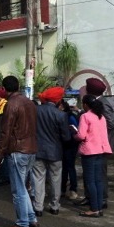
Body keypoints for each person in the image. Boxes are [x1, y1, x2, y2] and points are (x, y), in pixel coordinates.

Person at [0, 76, 38, 227]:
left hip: (18, 150)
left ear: (4, 89)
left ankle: (22, 224)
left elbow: (5, 133)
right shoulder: (29, 102)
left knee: (18, 189)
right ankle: (30, 218)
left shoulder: (11, 104)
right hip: (30, 148)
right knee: (23, 187)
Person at [32, 87, 71, 217]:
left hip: (38, 150)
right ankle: (54, 206)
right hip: (55, 152)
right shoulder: (61, 114)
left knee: (38, 178)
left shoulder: (36, 111)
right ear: (58, 100)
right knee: (55, 179)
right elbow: (66, 137)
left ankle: (38, 207)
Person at [76, 78, 114, 208]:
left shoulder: (103, 103)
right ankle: (90, 197)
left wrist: (95, 134)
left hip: (99, 146)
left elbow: (110, 123)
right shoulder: (92, 104)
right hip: (95, 145)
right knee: (90, 175)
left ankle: (101, 199)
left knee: (99, 175)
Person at [59, 99, 81, 200]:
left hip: (71, 144)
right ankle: (63, 189)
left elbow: (76, 130)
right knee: (64, 168)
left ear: (63, 107)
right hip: (64, 145)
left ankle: (73, 189)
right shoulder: (64, 116)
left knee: (70, 167)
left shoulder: (70, 116)